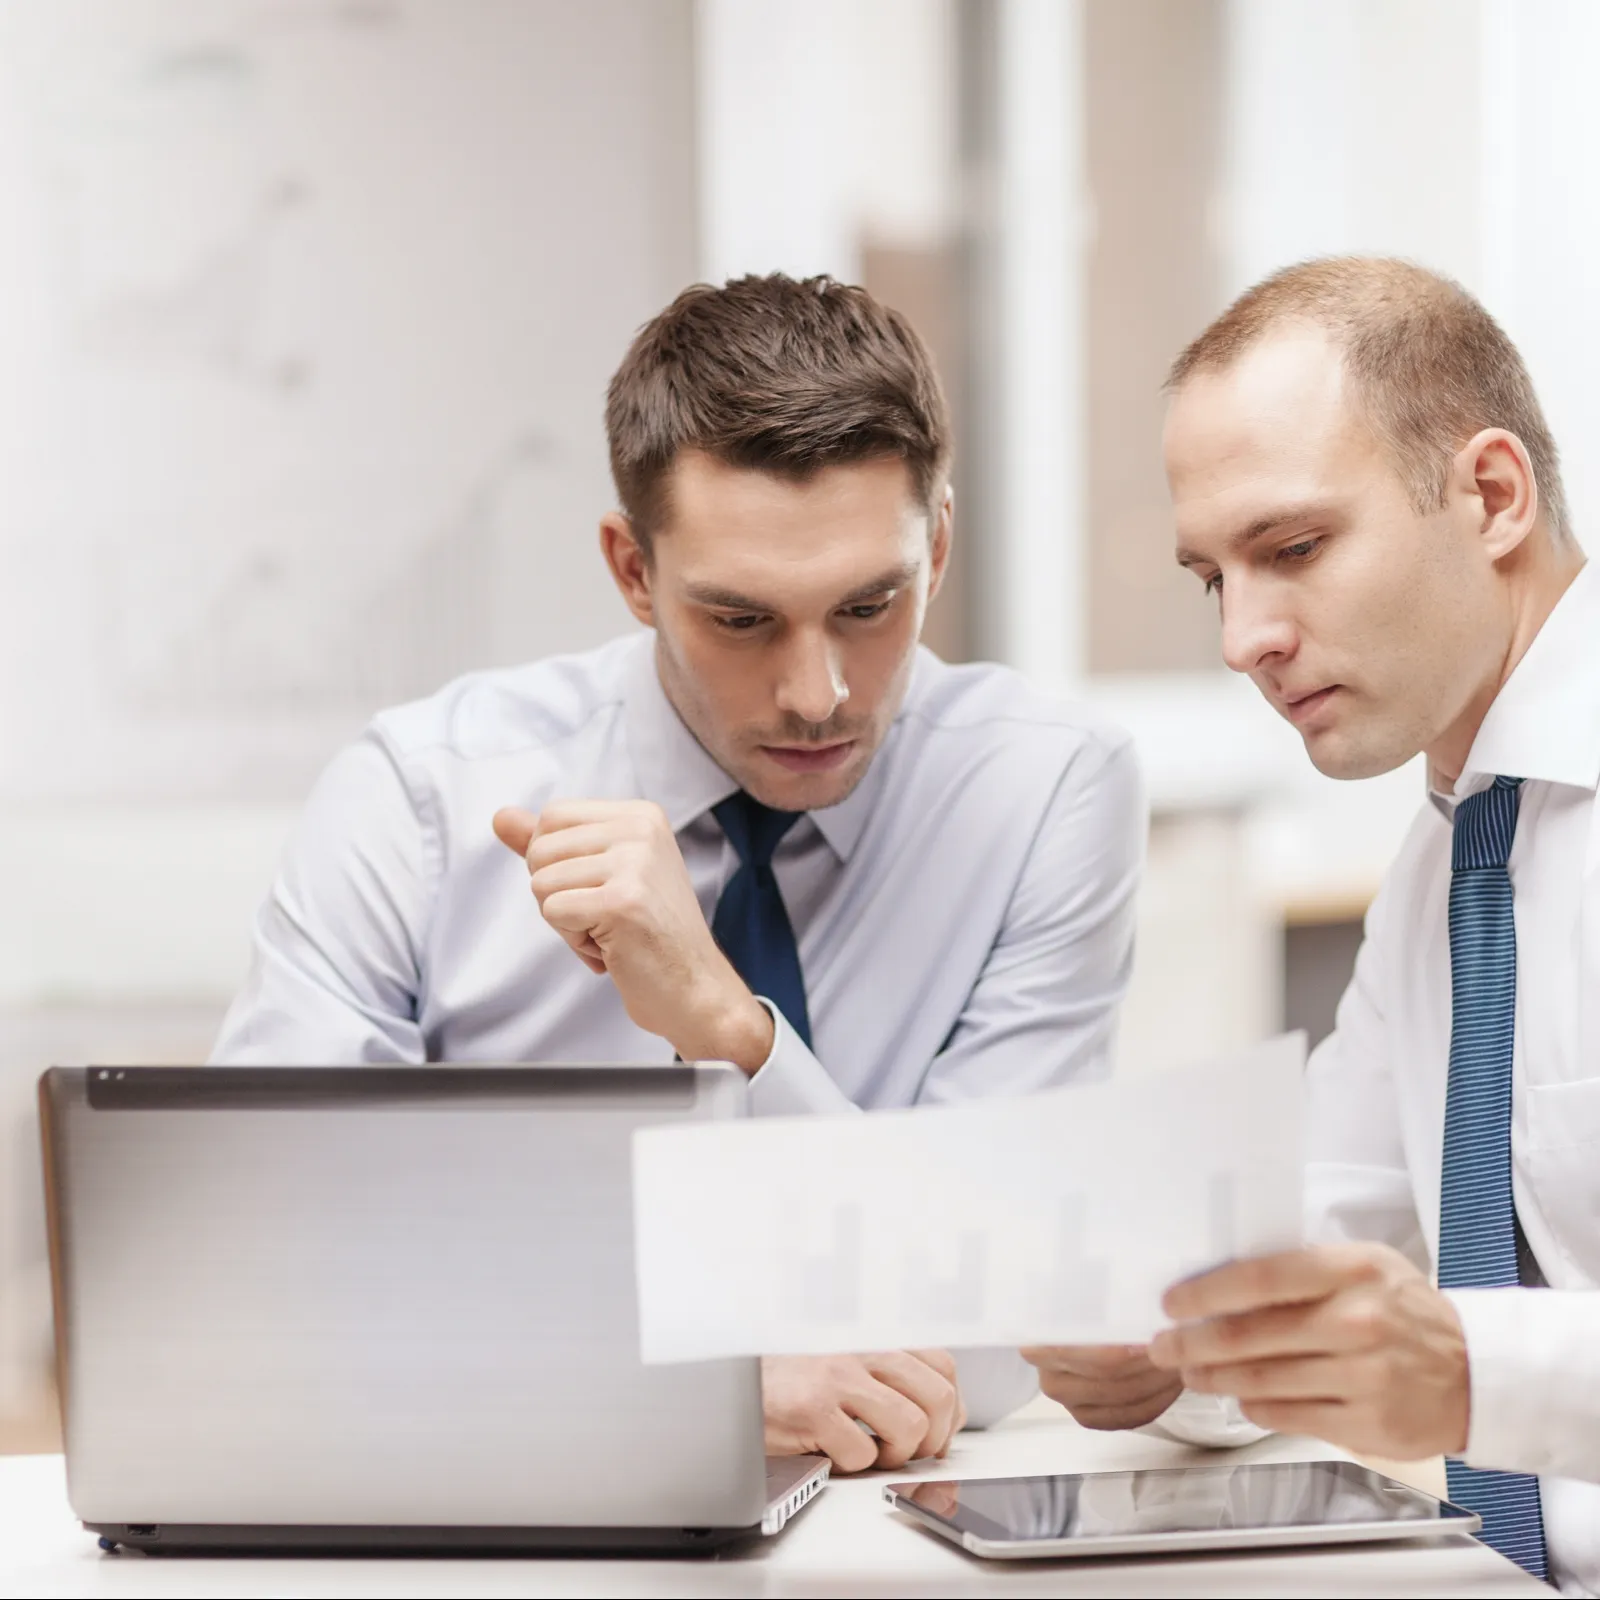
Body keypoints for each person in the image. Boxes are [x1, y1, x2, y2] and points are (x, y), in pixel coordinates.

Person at [212, 272, 1144, 1474]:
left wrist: (727, 1029)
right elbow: (272, 1273)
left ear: (941, 545)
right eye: (742, 620)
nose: (818, 693)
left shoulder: (1045, 791)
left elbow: (1012, 1318)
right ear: (631, 571)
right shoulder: (419, 799)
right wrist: (688, 1383)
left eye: (871, 603)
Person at [1024, 258, 1599, 1591]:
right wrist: (1157, 1344)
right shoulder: (1452, 866)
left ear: (1492, 496)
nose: (1242, 638)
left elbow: (1440, 1355)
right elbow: (1319, 1230)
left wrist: (1470, 1369)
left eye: (1291, 549)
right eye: (1209, 576)